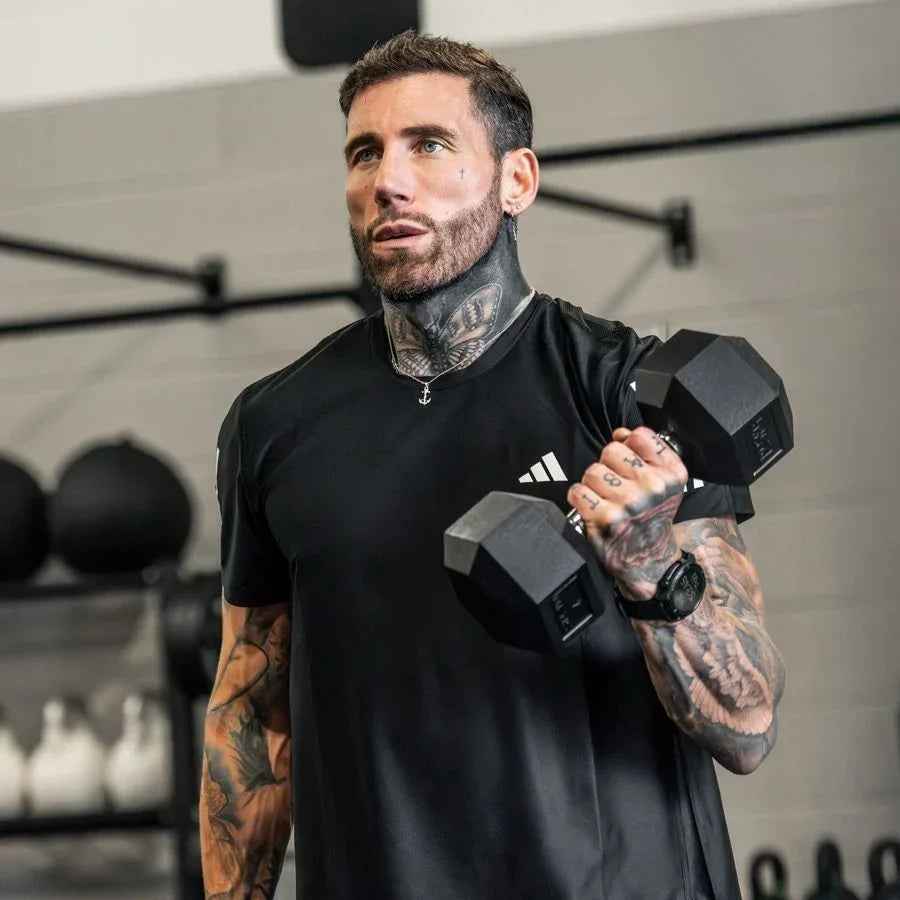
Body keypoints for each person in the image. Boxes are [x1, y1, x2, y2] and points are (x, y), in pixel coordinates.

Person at [200, 30, 786, 900]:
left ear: (518, 181)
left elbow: (749, 726)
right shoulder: (275, 423)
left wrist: (652, 566)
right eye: (365, 153)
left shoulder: (628, 392)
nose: (388, 181)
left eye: (429, 145)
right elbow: (250, 716)